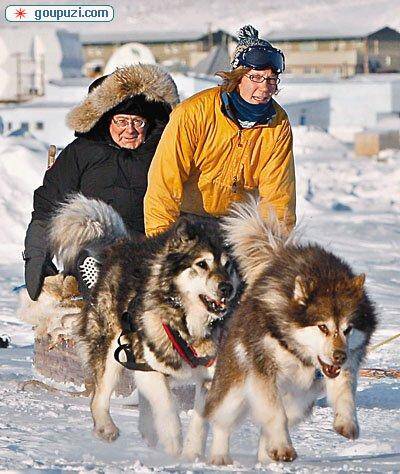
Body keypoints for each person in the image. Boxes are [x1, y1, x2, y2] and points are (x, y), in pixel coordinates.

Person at [24, 64, 179, 301]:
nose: (130, 130)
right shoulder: (81, 153)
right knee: (92, 259)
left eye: (138, 122)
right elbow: (48, 207)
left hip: (148, 245)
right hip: (92, 246)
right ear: (106, 120)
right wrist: (37, 260)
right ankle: (101, 303)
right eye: (121, 121)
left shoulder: (164, 151)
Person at [144, 25, 296, 237]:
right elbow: (164, 183)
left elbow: (279, 198)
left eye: (271, 79)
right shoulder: (194, 113)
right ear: (238, 77)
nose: (264, 87)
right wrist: (160, 239)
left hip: (237, 223)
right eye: (255, 77)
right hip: (186, 218)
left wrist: (277, 246)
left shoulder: (277, 124)